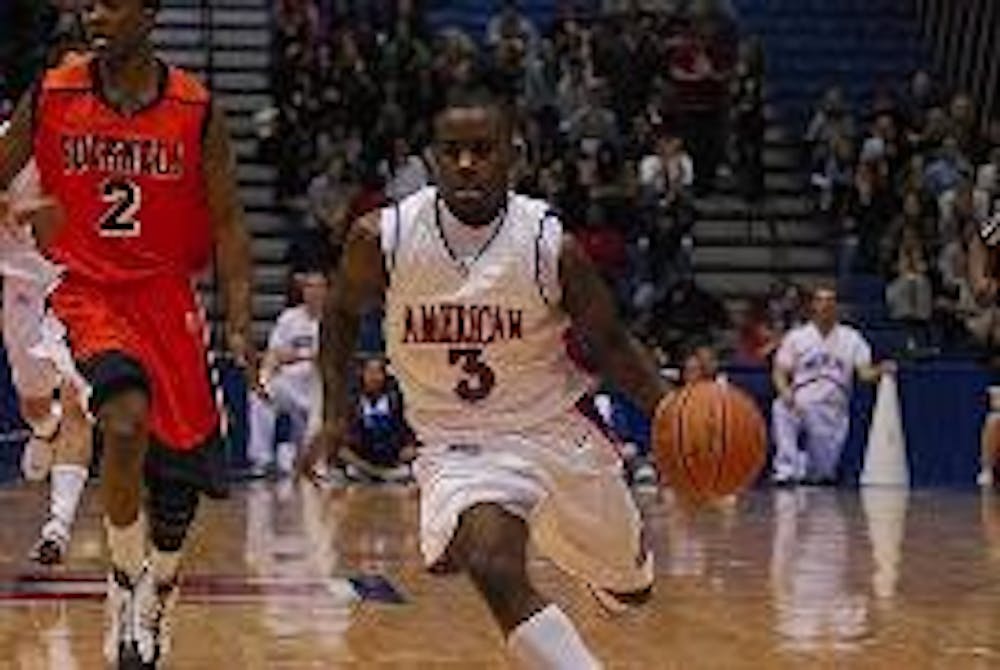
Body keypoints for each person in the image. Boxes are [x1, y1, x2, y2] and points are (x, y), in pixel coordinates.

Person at [301, 83, 673, 669]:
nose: (466, 163)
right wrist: (333, 415)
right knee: (494, 563)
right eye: (451, 151)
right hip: (459, 442)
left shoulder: (550, 246)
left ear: (514, 155)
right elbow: (342, 316)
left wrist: (671, 412)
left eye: (482, 148)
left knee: (634, 592)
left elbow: (609, 344)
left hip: (555, 429)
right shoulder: (384, 238)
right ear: (432, 158)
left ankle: (596, 562)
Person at [0, 0, 255, 666]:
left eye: (110, 2)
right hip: (84, 294)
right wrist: (19, 205)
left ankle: (158, 594)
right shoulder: (53, 94)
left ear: (150, 10)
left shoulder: (196, 110)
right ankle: (122, 587)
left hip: (168, 302)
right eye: (87, 3)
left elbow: (228, 222)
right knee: (121, 418)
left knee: (176, 500)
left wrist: (240, 317)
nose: (94, 14)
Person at [0, 30, 92, 567]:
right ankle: (45, 427)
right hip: (21, 289)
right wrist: (20, 209)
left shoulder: (99, 144)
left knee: (80, 396)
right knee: (38, 405)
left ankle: (57, 527)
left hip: (76, 287)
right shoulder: (15, 136)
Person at [771, 284, 894, 486]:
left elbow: (864, 374)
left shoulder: (852, 338)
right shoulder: (797, 336)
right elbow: (779, 371)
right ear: (813, 306)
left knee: (822, 474)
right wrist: (785, 392)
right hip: (800, 399)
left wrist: (882, 370)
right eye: (821, 300)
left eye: (830, 301)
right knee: (780, 408)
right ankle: (786, 469)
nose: (826, 305)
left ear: (836, 306)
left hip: (832, 407)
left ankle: (804, 466)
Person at [248, 271, 325, 478]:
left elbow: (326, 360)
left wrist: (295, 355)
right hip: (290, 383)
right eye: (309, 287)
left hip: (318, 386)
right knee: (258, 395)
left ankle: (314, 462)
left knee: (311, 435)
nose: (313, 292)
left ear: (326, 291)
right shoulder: (289, 318)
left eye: (318, 287)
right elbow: (274, 354)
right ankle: (261, 460)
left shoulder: (332, 319)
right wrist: (264, 378)